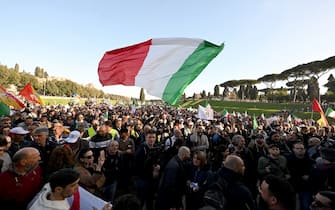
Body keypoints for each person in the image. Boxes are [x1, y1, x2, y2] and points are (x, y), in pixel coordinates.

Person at [28, 168, 112, 210]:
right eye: (73, 185)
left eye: (77, 184)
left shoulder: (48, 191)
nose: (77, 188)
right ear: (58, 189)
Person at [156, 146, 191, 210]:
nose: (190, 155)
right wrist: (174, 203)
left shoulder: (177, 161)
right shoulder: (173, 166)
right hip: (170, 200)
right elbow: (170, 186)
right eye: (189, 154)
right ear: (184, 154)